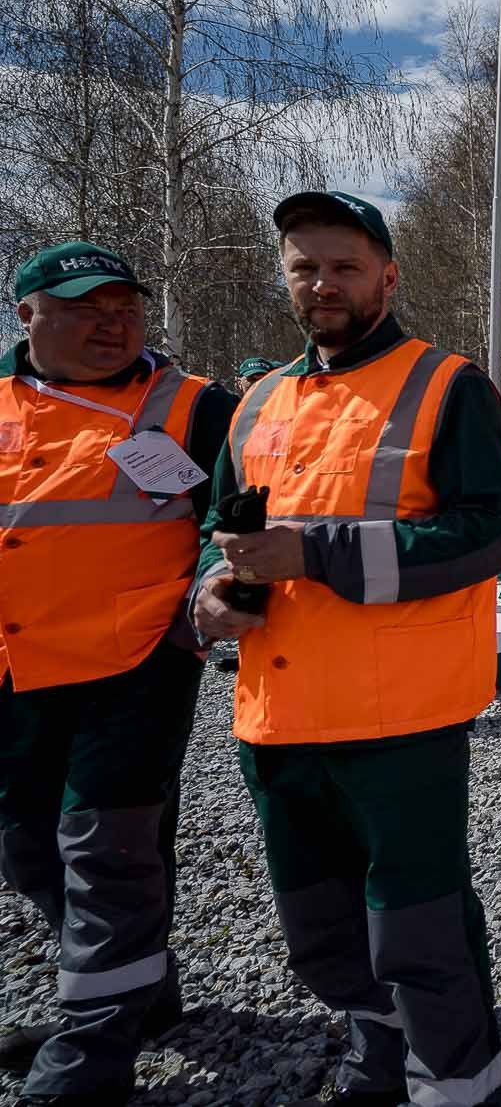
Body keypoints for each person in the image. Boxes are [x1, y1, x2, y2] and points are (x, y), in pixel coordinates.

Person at [190, 190, 501, 1107]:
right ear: (285, 279)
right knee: (320, 930)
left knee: (419, 927)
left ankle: (459, 1085)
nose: (323, 282)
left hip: (398, 721)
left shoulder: (444, 383)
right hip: (277, 716)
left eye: (343, 265)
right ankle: (379, 1048)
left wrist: (318, 552)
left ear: (387, 275)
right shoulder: (258, 400)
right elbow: (216, 534)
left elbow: (491, 535)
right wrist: (208, 597)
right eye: (305, 266)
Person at [0, 242, 236, 1106]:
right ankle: (140, 989)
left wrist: (206, 596)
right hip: (13, 669)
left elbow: (236, 512)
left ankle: (89, 1058)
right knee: (25, 847)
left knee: (107, 855)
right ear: (26, 314)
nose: (113, 322)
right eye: (85, 307)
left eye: (126, 307)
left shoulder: (191, 405)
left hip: (132, 666)